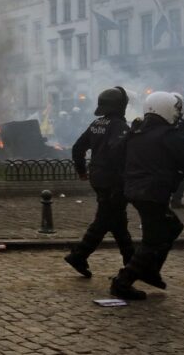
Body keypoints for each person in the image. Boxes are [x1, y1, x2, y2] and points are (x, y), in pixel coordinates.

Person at [110, 91, 184, 300]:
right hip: (153, 192)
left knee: (172, 227)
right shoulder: (168, 135)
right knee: (153, 240)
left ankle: (150, 270)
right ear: (165, 109)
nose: (177, 114)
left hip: (137, 191)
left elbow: (117, 155)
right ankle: (123, 281)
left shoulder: (137, 132)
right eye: (175, 109)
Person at [64, 87, 135, 278]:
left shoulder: (97, 123)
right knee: (106, 220)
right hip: (113, 181)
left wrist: (81, 170)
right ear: (121, 105)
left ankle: (132, 263)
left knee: (116, 221)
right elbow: (117, 152)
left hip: (98, 177)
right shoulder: (119, 126)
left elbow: (78, 147)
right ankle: (78, 255)